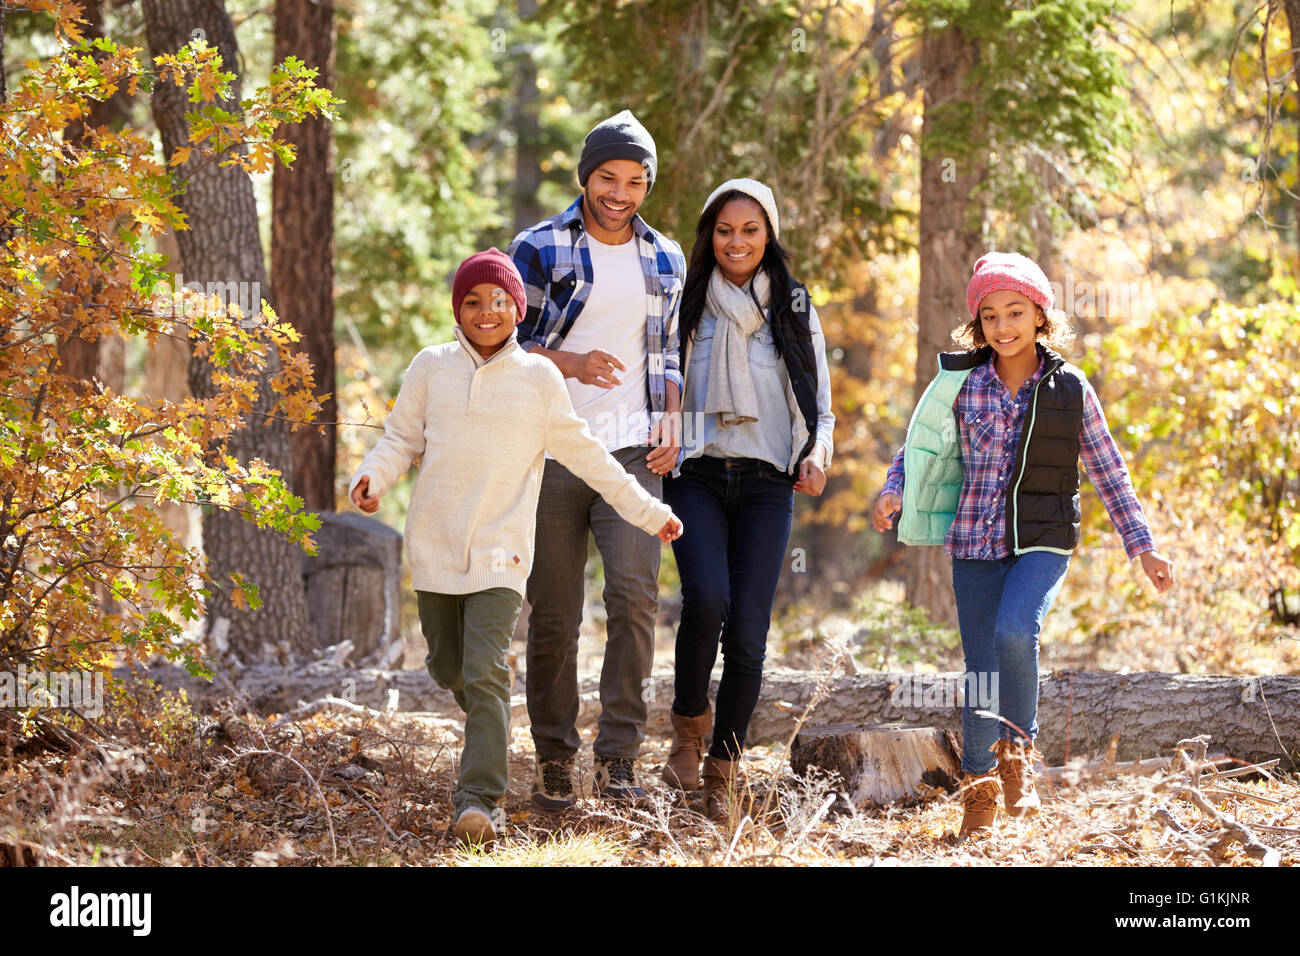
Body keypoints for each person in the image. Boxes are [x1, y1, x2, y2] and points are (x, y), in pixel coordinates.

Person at [348, 248, 682, 845]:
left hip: (503, 552)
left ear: (518, 309)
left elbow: (589, 456)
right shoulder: (430, 367)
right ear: (458, 308)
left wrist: (649, 511)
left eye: (501, 301)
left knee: (484, 670)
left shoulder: (538, 378)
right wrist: (372, 477)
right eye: (473, 301)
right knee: (449, 666)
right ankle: (486, 735)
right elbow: (398, 438)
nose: (487, 311)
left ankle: (480, 800)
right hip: (435, 548)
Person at [871, 252, 1174, 836]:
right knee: (981, 670)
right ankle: (979, 794)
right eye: (990, 316)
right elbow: (919, 448)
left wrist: (1144, 546)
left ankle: (1018, 759)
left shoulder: (1069, 388)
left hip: (1042, 540)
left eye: (1015, 312)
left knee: (1017, 631)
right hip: (973, 544)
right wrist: (894, 489)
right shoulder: (960, 385)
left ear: (1041, 315)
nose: (1003, 326)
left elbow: (1110, 470)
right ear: (977, 324)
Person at [507, 110, 685, 809]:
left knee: (636, 602)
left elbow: (668, 352)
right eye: (608, 178)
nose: (620, 192)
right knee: (553, 612)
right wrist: (571, 360)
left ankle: (619, 763)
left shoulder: (665, 256)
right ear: (586, 176)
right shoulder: (539, 245)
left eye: (635, 181)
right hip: (550, 450)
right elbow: (500, 341)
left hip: (634, 454)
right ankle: (555, 759)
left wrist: (672, 418)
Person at [660, 179, 835, 819]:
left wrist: (817, 451)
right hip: (696, 472)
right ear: (710, 235)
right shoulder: (684, 303)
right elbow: (660, 380)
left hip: (767, 480)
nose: (737, 242)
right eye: (725, 230)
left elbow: (817, 397)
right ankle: (686, 727)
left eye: (751, 230)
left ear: (769, 235)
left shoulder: (791, 304)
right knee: (706, 599)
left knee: (751, 635)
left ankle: (725, 761)